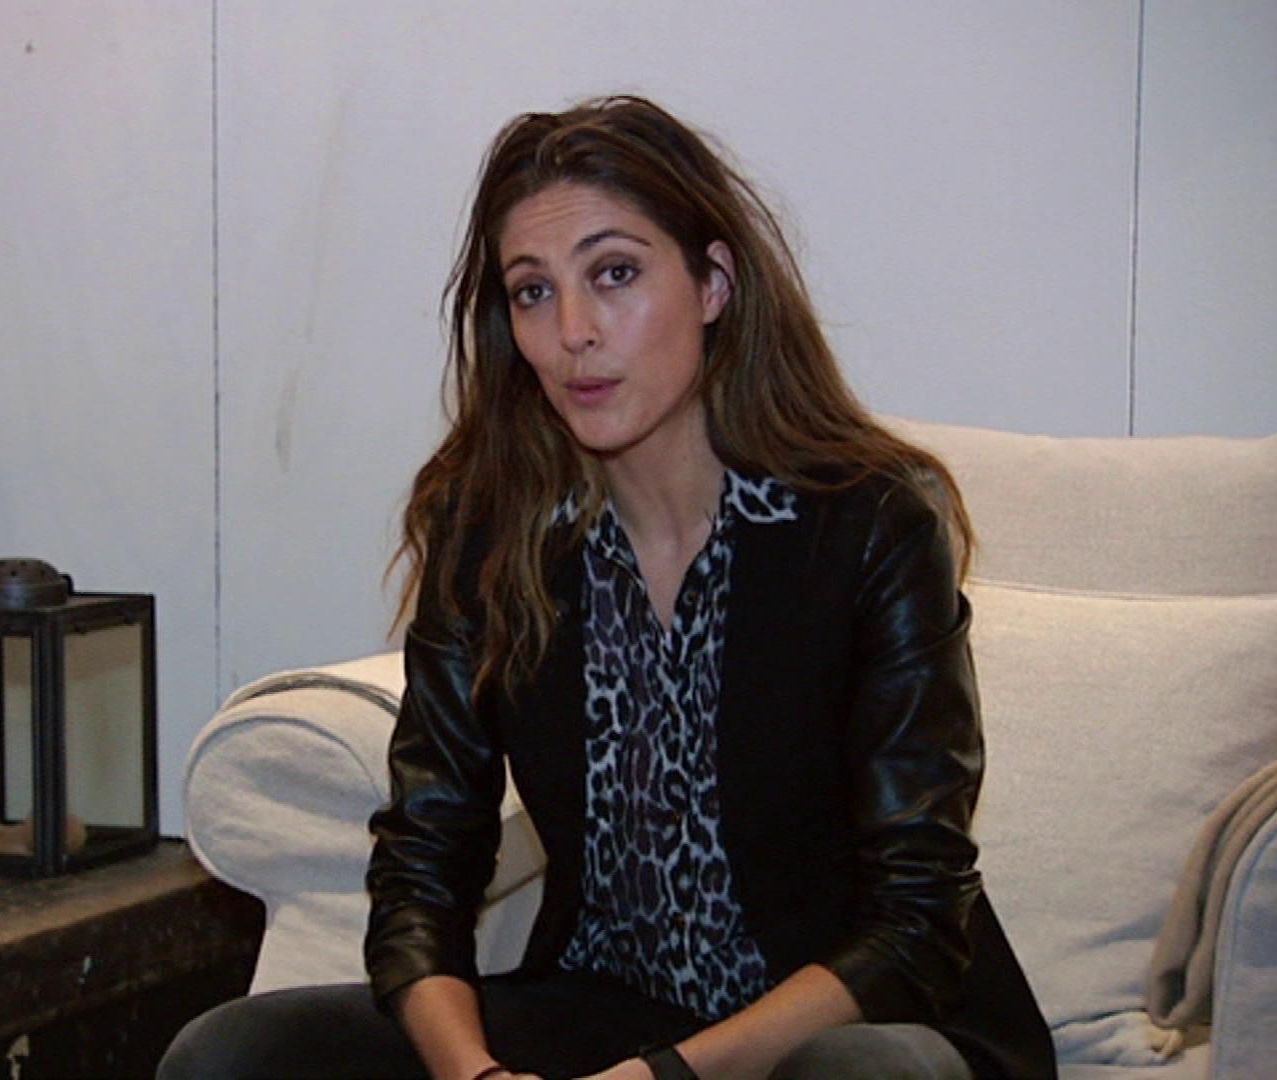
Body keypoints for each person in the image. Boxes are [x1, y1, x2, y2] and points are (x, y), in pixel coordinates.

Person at [159, 96, 1054, 1080]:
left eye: (615, 274)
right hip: (608, 1013)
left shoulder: (869, 523)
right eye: (533, 292)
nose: (572, 332)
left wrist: (663, 1079)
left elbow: (915, 920)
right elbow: (424, 868)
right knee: (232, 1055)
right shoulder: (495, 531)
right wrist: (475, 1075)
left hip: (844, 1027)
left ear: (713, 284)